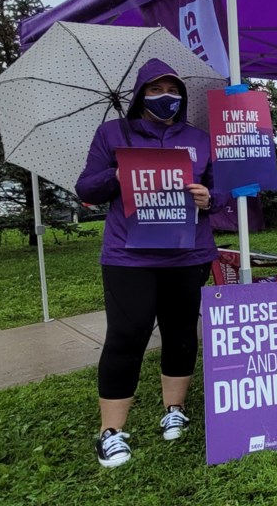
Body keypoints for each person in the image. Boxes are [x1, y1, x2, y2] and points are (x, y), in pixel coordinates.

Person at [75, 58, 219, 468]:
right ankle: (112, 431)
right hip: (129, 256)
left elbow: (217, 191)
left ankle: (174, 409)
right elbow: (85, 187)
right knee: (127, 335)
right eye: (155, 90)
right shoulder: (113, 134)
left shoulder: (198, 138)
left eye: (172, 90)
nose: (165, 97)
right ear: (140, 94)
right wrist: (116, 175)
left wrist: (209, 200)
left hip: (188, 253)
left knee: (180, 333)